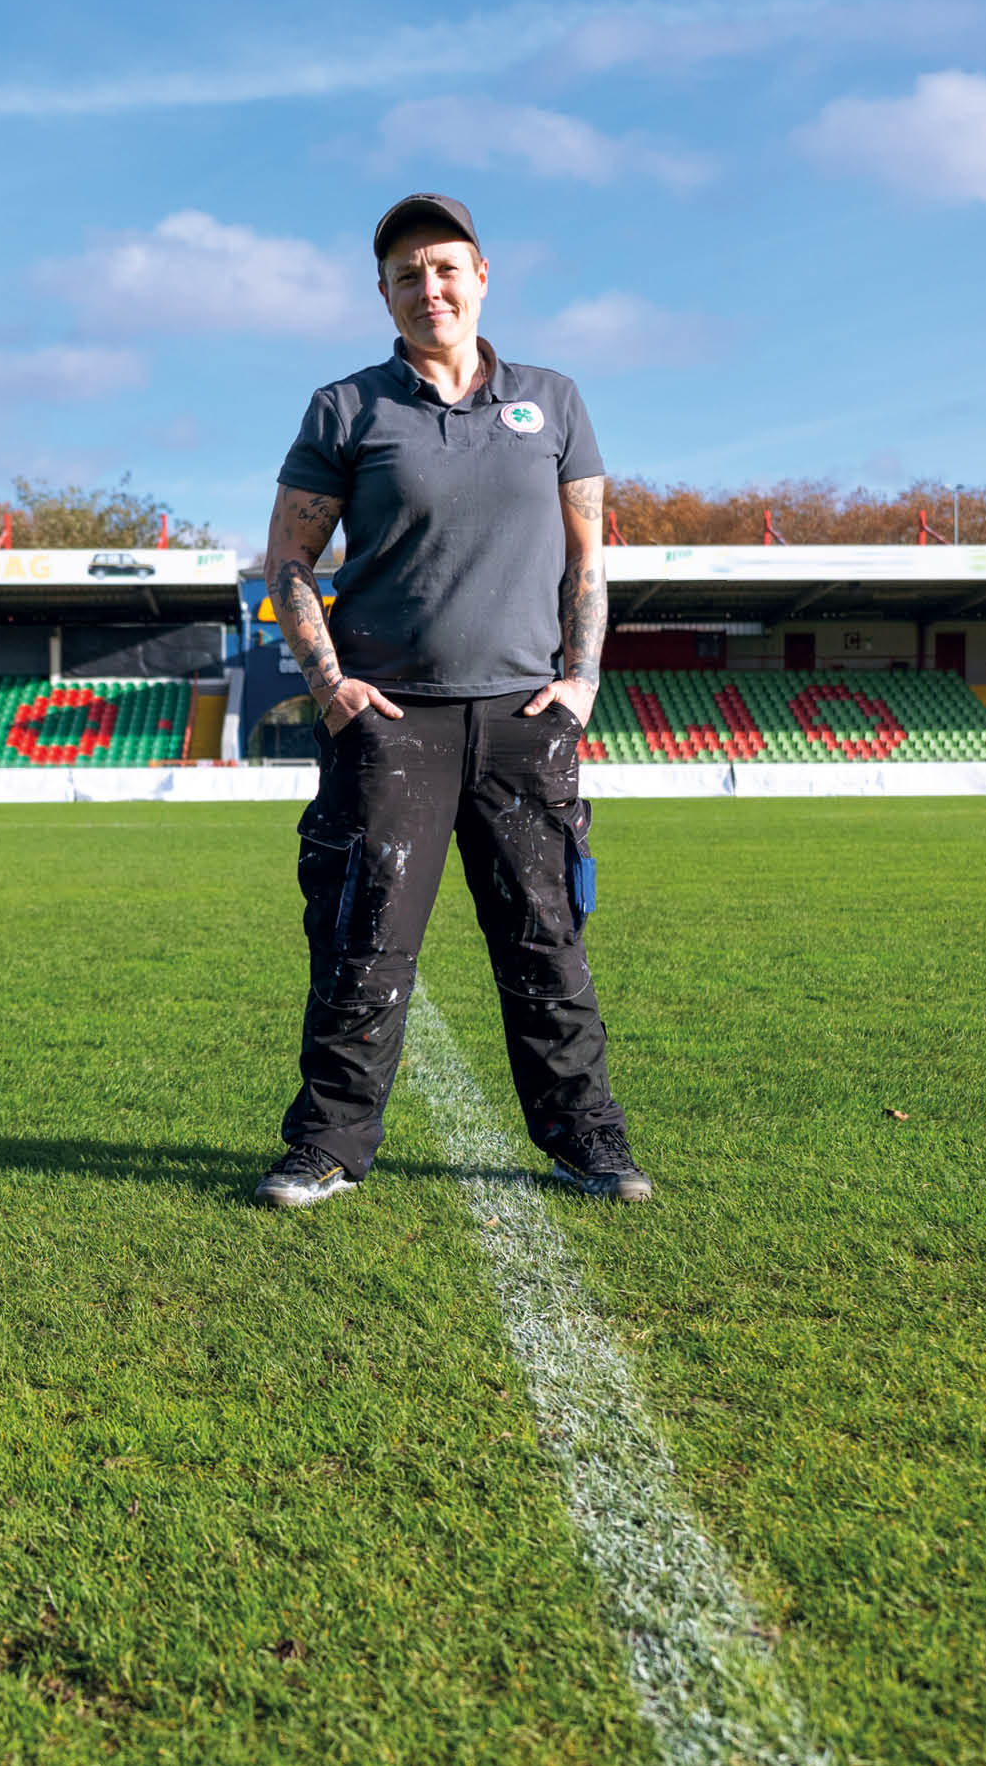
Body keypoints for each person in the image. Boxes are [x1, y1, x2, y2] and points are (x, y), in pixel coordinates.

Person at [253, 192, 649, 1211]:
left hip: (525, 719)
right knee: (363, 939)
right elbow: (288, 559)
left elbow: (587, 556)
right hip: (392, 722)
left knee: (546, 938)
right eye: (406, 275)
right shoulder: (348, 408)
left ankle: (587, 1140)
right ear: (384, 294)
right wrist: (331, 686)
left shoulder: (552, 400)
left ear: (480, 278)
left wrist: (580, 680)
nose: (427, 287)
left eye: (444, 268)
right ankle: (327, 1144)